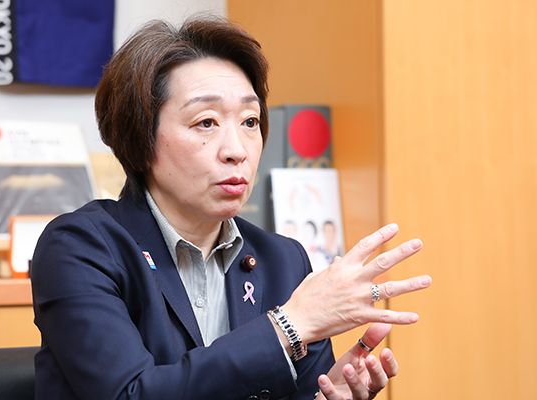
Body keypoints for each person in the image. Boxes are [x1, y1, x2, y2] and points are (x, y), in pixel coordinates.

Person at [31, 17, 432, 400]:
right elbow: (129, 394)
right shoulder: (81, 247)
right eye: (206, 122)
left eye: (250, 121)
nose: (237, 150)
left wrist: (331, 395)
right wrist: (286, 327)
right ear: (141, 138)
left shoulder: (282, 260)